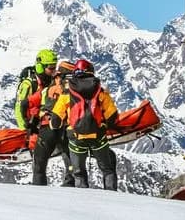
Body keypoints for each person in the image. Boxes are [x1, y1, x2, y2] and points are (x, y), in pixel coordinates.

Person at [49, 59, 119, 191]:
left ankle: (83, 201)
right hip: (98, 136)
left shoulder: (67, 91)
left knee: (78, 172)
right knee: (107, 170)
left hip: (76, 137)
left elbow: (55, 120)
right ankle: (111, 193)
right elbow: (113, 116)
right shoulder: (100, 91)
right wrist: (105, 125)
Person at [30, 59, 76, 187]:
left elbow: (30, 102)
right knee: (69, 160)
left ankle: (39, 191)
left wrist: (30, 124)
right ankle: (71, 186)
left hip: (48, 126)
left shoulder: (50, 85)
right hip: (68, 128)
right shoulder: (76, 87)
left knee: (39, 163)